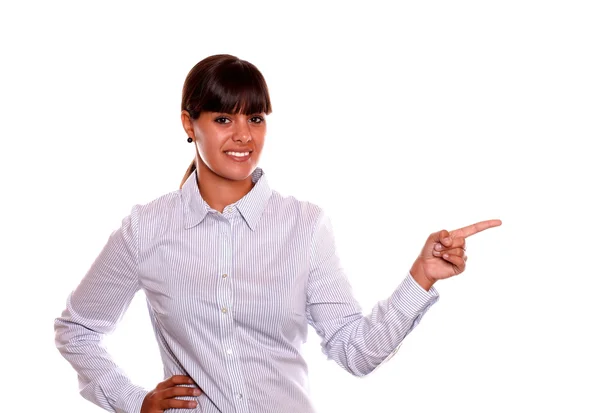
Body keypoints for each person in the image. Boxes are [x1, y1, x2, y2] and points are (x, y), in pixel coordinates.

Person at [54, 54, 502, 413]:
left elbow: (355, 352)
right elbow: (76, 329)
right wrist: (134, 404)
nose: (244, 136)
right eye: (224, 120)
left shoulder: (304, 226)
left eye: (256, 118)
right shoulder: (146, 229)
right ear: (190, 125)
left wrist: (421, 277)